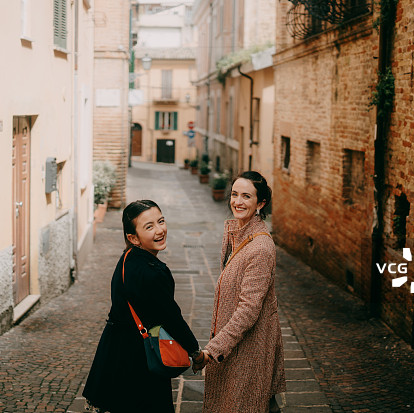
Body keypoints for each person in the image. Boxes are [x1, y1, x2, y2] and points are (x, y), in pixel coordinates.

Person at [83, 199, 205, 413]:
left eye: (161, 221)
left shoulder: (127, 258)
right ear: (133, 237)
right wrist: (195, 352)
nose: (160, 230)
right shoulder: (152, 272)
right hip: (139, 359)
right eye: (149, 227)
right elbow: (170, 318)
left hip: (114, 351)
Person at [197, 171, 286, 412]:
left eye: (246, 196)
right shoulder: (234, 234)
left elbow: (248, 310)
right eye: (234, 194)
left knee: (246, 403)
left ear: (261, 203)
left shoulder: (260, 248)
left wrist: (212, 350)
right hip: (233, 343)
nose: (238, 201)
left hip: (250, 347)